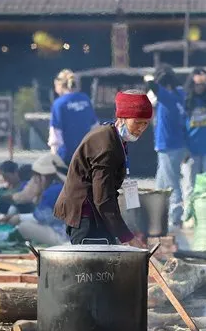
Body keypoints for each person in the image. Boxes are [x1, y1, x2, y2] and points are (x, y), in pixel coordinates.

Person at [54, 90, 153, 245]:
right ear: (122, 118)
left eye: (145, 123)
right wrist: (127, 237)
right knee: (94, 261)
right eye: (137, 122)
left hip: (97, 216)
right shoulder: (106, 144)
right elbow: (103, 199)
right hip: (86, 217)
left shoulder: (114, 137)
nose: (141, 128)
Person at [146, 65, 188, 228]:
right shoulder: (180, 94)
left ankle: (175, 217)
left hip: (168, 145)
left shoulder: (167, 97)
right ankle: (159, 216)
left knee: (172, 182)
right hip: (177, 145)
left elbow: (152, 86)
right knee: (161, 184)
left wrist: (151, 79)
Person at [7, 153, 68, 246]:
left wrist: (20, 217)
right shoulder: (62, 186)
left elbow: (42, 218)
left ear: (42, 177)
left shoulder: (52, 191)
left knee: (24, 226)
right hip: (71, 233)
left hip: (64, 237)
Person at [49, 69, 98, 165]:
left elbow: (55, 133)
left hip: (66, 156)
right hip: (86, 153)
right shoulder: (85, 100)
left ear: (59, 85)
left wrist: (54, 156)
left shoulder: (59, 104)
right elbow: (95, 127)